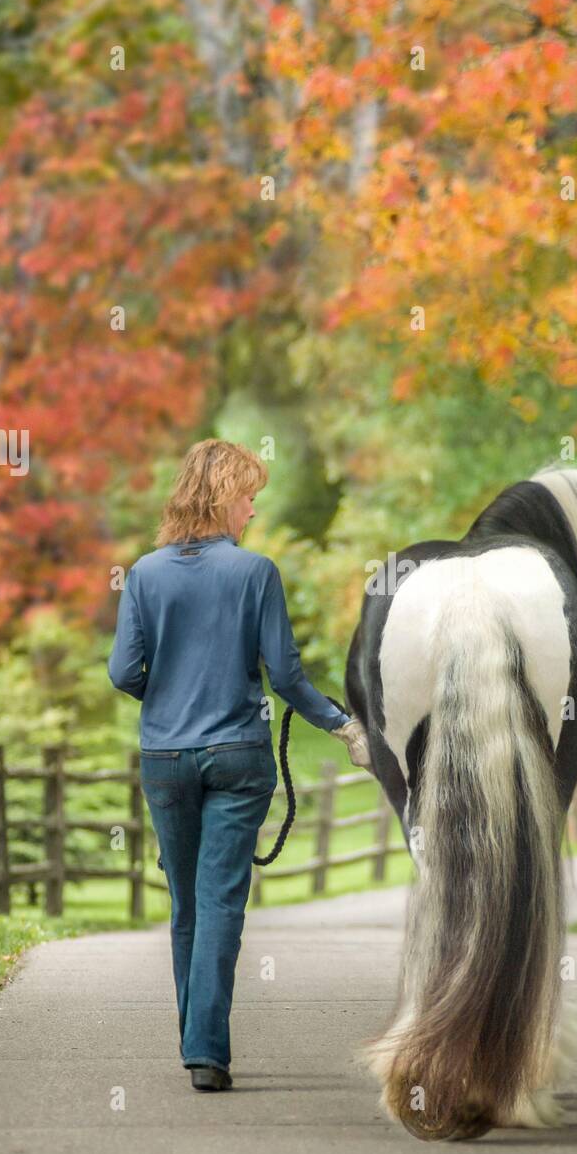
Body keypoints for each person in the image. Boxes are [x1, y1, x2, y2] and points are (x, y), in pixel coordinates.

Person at [107, 438, 371, 1094]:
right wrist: (342, 723)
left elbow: (121, 672)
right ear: (225, 496)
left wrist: (165, 696)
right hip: (237, 756)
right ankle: (205, 1049)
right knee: (222, 897)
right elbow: (285, 676)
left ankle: (196, 1039)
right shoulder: (255, 573)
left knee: (188, 901)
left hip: (165, 757)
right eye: (249, 495)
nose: (253, 509)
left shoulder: (143, 573)